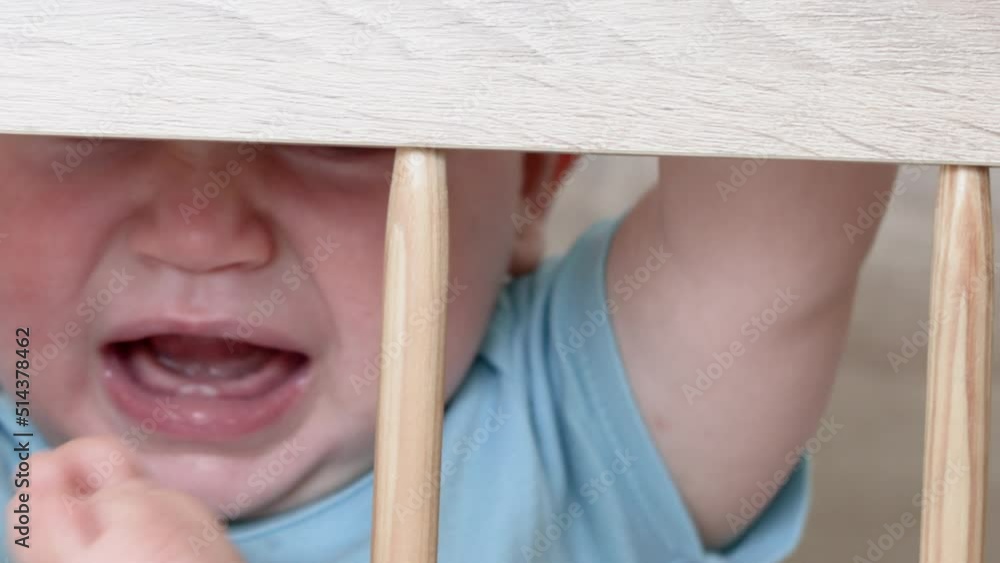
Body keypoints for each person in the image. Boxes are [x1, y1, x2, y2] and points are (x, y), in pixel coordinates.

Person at [0, 137, 896, 562]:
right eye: (87, 124)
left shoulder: (578, 425)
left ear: (529, 187)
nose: (201, 234)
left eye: (339, 134)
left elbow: (813, 88)